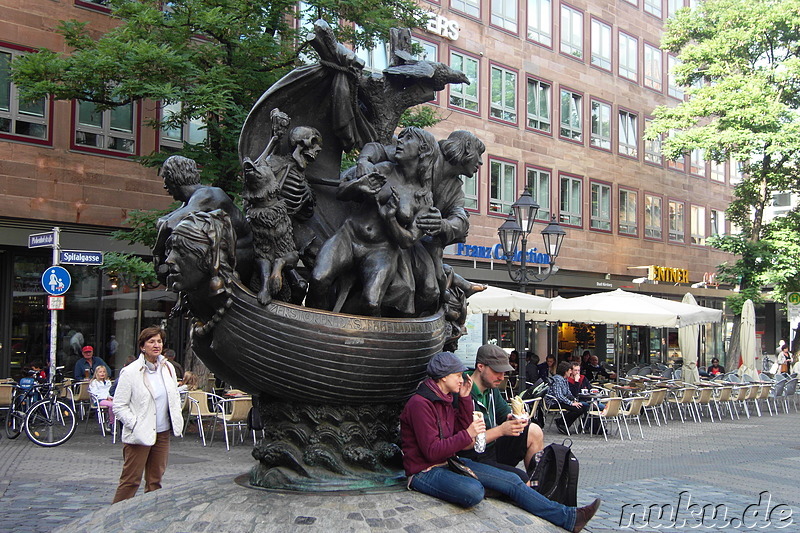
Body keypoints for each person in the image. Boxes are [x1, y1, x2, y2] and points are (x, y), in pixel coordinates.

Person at [399, 351, 600, 533]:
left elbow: (458, 432)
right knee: (473, 491)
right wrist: (468, 433)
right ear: (444, 376)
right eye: (458, 375)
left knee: (513, 480)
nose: (462, 379)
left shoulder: (448, 398)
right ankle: (501, 491)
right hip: (424, 471)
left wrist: (466, 400)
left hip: (449, 462)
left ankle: (570, 517)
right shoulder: (420, 404)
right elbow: (433, 451)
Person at [112, 326, 183, 503]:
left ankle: (151, 515)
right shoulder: (130, 372)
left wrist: (176, 419)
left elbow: (173, 395)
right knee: (130, 481)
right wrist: (134, 424)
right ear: (142, 346)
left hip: (162, 432)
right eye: (151, 341)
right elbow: (119, 405)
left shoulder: (168, 369)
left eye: (159, 341)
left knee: (155, 480)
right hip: (139, 434)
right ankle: (114, 516)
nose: (156, 345)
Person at [460, 344, 544, 478]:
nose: (501, 377)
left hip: (493, 449)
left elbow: (504, 414)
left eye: (504, 372)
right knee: (520, 478)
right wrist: (501, 430)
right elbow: (464, 442)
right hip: (471, 456)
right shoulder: (462, 391)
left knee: (534, 431)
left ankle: (539, 485)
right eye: (497, 371)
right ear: (480, 367)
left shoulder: (491, 388)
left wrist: (516, 418)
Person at [546, 362, 589, 435]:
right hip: (554, 402)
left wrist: (573, 399)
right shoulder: (558, 380)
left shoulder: (564, 379)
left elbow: (568, 392)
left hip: (561, 401)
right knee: (578, 409)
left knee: (581, 407)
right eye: (570, 370)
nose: (571, 372)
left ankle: (562, 422)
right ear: (565, 371)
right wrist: (571, 403)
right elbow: (559, 396)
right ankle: (562, 423)